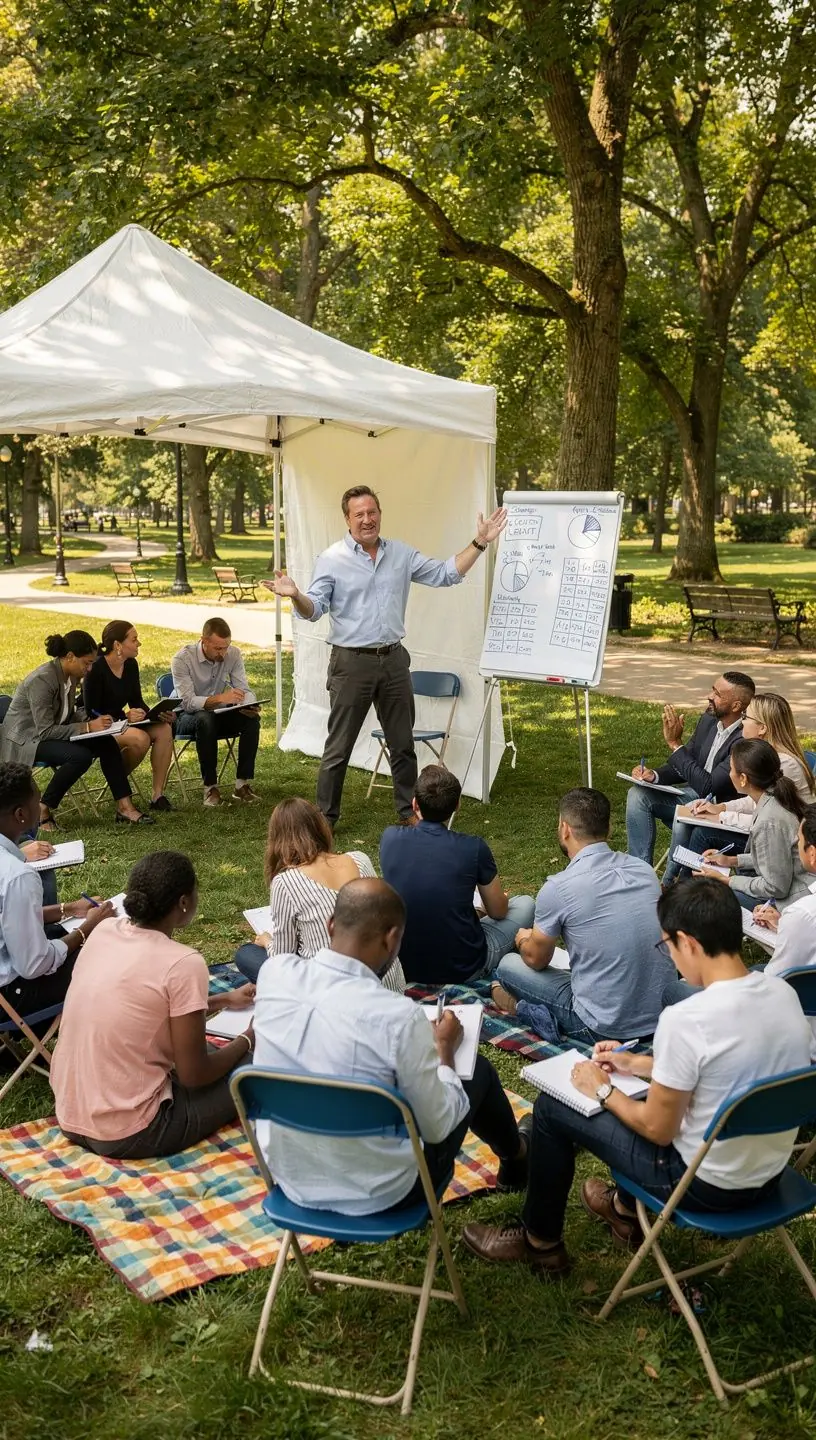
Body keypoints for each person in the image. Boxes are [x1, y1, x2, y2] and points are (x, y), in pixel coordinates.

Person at [461, 879, 812, 1277]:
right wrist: (638, 1066)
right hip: (769, 1176)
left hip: (700, 1187)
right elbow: (728, 1065)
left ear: (688, 943)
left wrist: (603, 1088)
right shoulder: (784, 994)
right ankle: (624, 1210)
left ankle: (539, 1242)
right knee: (644, 1091)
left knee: (549, 1109)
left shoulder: (687, 1019)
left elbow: (657, 1130)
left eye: (667, 946)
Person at [252, 877, 529, 1214]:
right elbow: (437, 1125)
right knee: (477, 1072)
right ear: (393, 938)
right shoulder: (397, 1016)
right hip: (382, 1193)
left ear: (330, 925)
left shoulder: (274, 974)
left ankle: (517, 1154)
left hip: (291, 1180)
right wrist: (442, 1049)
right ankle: (518, 1155)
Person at [266, 485, 507, 828]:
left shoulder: (401, 555)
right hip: (351, 663)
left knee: (403, 745)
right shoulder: (332, 559)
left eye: (372, 512)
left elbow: (446, 574)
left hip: (394, 661)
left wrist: (480, 542)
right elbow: (314, 610)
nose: (367, 519)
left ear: (380, 513)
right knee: (338, 748)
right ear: (347, 520)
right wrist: (295, 596)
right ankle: (326, 820)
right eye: (359, 514)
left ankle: (408, 813)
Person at [50, 850, 256, 1159]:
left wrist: (223, 999)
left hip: (70, 1113)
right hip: (132, 1132)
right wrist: (246, 1040)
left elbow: (143, 1007)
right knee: (255, 1067)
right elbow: (193, 1075)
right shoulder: (184, 963)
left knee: (214, 1051)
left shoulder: (104, 931)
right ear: (184, 902)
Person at [491, 788, 674, 1044]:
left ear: (565, 829)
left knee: (508, 966)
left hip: (602, 1025)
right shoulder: (644, 871)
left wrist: (523, 939)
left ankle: (520, 1008)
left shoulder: (558, 888)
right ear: (608, 829)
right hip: (660, 1017)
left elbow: (536, 959)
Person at [379, 764, 534, 985]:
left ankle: (474, 914)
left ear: (414, 805)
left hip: (404, 964)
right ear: (458, 805)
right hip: (463, 967)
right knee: (526, 903)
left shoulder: (390, 838)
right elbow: (499, 911)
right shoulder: (473, 847)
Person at [235, 795, 406, 993]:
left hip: (332, 993)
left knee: (246, 954)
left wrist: (267, 941)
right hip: (390, 985)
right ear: (320, 827)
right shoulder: (360, 859)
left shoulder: (286, 882)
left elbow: (282, 959)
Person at [0, 630, 153, 828]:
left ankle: (125, 807)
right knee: (79, 756)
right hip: (27, 739)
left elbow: (66, 713)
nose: (89, 669)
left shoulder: (69, 675)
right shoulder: (42, 680)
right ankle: (42, 808)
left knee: (106, 742)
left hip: (51, 732)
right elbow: (45, 730)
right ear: (70, 657)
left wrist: (98, 722)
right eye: (87, 663)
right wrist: (87, 726)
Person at [0, 763, 113, 1023]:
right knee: (107, 952)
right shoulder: (17, 875)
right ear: (21, 815)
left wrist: (68, 909)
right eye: (37, 802)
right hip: (12, 997)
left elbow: (10, 918)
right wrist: (87, 929)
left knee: (58, 933)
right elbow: (34, 965)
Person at [663, 690, 815, 883]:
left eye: (746, 716)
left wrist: (720, 817)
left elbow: (766, 819)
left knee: (703, 833)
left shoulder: (784, 764)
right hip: (769, 837)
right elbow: (758, 801)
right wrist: (722, 807)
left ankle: (686, 891)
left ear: (762, 728)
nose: (741, 721)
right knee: (695, 822)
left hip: (784, 846)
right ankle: (678, 885)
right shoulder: (769, 757)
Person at [625, 671, 755, 866]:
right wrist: (654, 775)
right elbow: (689, 761)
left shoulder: (745, 737)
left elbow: (709, 786)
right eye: (713, 690)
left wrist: (675, 744)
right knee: (637, 794)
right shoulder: (709, 720)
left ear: (736, 706)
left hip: (718, 806)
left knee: (685, 813)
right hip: (694, 795)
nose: (710, 697)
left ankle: (671, 882)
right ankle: (639, 869)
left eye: (718, 694)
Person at [694, 738, 809, 911]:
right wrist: (731, 860)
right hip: (790, 891)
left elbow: (775, 887)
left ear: (743, 779)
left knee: (708, 896)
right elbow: (773, 860)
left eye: (731, 769)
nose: (729, 773)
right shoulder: (773, 799)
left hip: (789, 903)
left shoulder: (770, 820)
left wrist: (726, 880)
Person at [84, 621, 175, 811]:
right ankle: (117, 781)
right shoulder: (96, 668)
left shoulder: (131, 665)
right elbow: (91, 711)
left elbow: (136, 701)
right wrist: (124, 717)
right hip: (101, 727)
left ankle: (157, 796)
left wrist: (157, 713)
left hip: (123, 724)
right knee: (140, 738)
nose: (138, 643)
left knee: (164, 729)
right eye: (134, 640)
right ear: (118, 645)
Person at [171, 617, 261, 808]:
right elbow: (187, 702)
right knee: (205, 718)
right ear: (203, 641)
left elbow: (243, 688)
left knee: (251, 720)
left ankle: (241, 784)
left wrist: (249, 704)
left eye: (226, 647)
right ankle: (210, 787)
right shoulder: (182, 659)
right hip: (184, 716)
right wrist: (221, 698)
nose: (223, 653)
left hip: (217, 714)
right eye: (218, 648)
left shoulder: (233, 654)